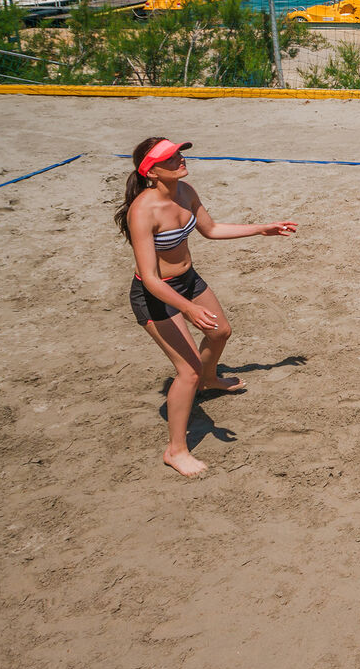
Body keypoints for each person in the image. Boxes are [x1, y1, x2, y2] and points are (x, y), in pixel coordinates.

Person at [117, 137, 298, 477]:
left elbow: (211, 229)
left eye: (179, 153)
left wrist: (261, 229)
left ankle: (209, 379)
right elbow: (151, 279)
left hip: (188, 280)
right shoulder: (142, 211)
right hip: (156, 295)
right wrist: (187, 309)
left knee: (220, 332)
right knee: (187, 371)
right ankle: (175, 450)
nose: (180, 159)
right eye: (170, 158)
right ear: (151, 172)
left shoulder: (185, 191)